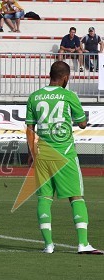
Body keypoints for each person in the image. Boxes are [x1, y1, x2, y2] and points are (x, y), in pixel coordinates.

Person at [25, 61, 102, 255]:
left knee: (44, 197)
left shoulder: (35, 97)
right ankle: (83, 243)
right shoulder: (69, 96)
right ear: (66, 77)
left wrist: (30, 153)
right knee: (76, 196)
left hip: (42, 153)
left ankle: (48, 245)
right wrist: (82, 119)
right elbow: (82, 123)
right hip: (65, 152)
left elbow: (30, 128)